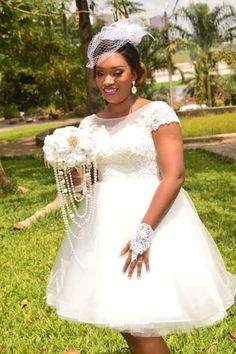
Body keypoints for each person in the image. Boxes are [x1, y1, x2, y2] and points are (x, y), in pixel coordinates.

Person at [46, 20, 236, 354]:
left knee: (139, 323)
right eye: (101, 73)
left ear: (136, 73)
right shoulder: (89, 124)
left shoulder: (157, 113)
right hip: (105, 226)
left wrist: (145, 231)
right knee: (124, 321)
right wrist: (74, 175)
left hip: (152, 218)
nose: (108, 81)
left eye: (117, 72)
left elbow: (174, 175)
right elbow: (92, 179)